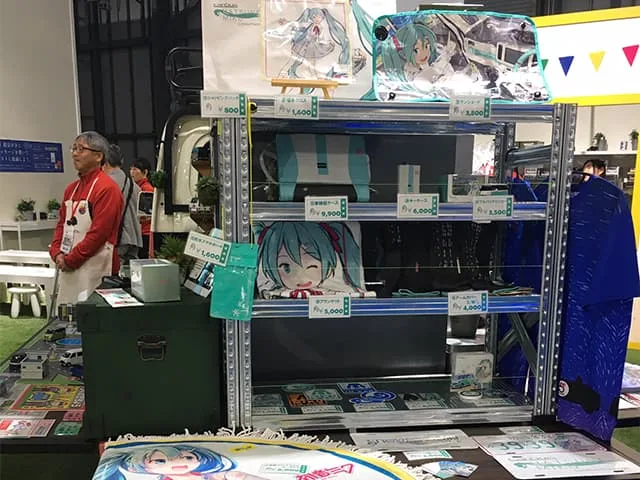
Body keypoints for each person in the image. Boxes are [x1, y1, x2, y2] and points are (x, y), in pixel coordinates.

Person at [49, 131, 124, 304]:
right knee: (68, 312)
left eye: (81, 149)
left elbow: (99, 234)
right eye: (74, 148)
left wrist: (72, 260)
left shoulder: (107, 189)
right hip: (69, 264)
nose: (75, 153)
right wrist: (57, 252)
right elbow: (61, 225)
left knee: (92, 314)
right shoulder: (71, 189)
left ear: (98, 156)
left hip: (96, 268)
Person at [103, 144, 143, 274]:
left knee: (112, 279)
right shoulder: (134, 185)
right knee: (132, 278)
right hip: (134, 238)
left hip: (116, 240)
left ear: (105, 161)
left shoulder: (105, 184)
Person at [130, 157, 154, 258]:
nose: (132, 172)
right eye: (131, 169)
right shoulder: (136, 187)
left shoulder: (146, 189)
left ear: (145, 172)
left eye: (135, 169)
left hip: (145, 233)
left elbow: (148, 214)